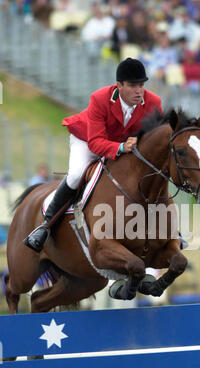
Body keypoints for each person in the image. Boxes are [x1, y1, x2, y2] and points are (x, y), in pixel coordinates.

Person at [23, 57, 163, 253]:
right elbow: (96, 143)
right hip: (87, 139)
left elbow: (155, 139)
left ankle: (169, 229)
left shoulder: (153, 103)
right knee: (76, 174)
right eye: (132, 85)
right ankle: (46, 226)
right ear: (119, 85)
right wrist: (122, 147)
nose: (139, 90)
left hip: (124, 144)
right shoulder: (99, 98)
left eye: (141, 85)